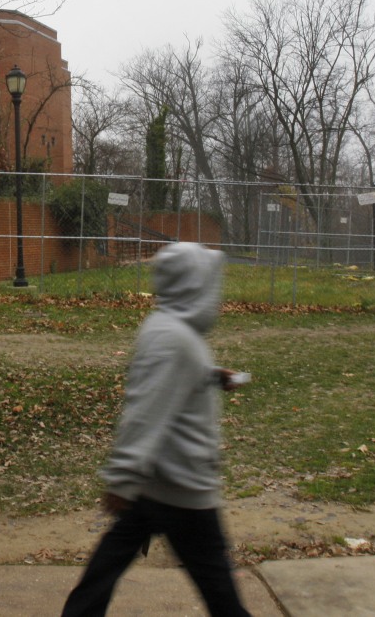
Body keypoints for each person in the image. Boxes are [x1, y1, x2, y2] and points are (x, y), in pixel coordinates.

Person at [62, 241, 251, 617]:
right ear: (191, 285)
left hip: (156, 484)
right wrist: (122, 478)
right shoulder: (174, 339)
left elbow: (169, 385)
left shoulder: (171, 329)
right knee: (219, 589)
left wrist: (211, 376)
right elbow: (146, 411)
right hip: (179, 487)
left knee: (103, 571)